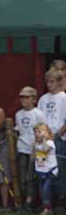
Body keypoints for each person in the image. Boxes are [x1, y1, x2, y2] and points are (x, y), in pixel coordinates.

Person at [13, 87, 46, 213]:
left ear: (34, 99)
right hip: (22, 149)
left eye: (27, 97)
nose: (23, 100)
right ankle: (24, 200)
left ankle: (30, 202)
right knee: (22, 176)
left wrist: (37, 147)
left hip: (36, 149)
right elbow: (19, 130)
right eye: (21, 97)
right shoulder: (18, 114)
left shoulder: (38, 114)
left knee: (31, 176)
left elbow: (43, 131)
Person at [37, 68, 66, 207]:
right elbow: (39, 119)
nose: (49, 85)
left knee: (58, 169)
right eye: (47, 82)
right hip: (43, 139)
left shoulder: (63, 98)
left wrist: (57, 136)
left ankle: (60, 200)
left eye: (52, 82)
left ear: (59, 82)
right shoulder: (43, 99)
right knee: (43, 167)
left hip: (59, 139)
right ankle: (46, 202)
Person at [31, 123, 58, 215]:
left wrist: (43, 139)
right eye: (35, 132)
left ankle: (48, 209)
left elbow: (45, 149)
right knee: (42, 191)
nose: (37, 134)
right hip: (41, 170)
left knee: (46, 189)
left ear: (47, 132)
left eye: (39, 131)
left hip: (50, 171)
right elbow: (35, 155)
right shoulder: (36, 144)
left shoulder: (50, 143)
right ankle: (47, 207)